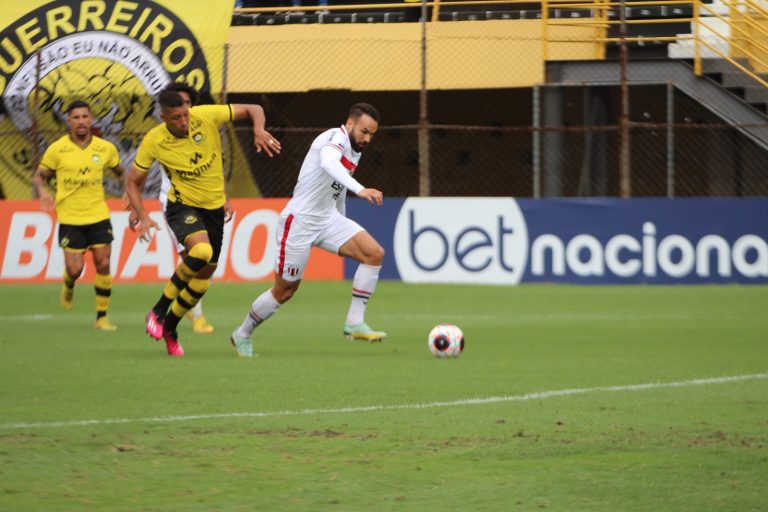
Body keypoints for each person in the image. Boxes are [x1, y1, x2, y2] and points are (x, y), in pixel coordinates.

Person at [125, 88, 281, 357]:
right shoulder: (154, 140)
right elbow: (132, 182)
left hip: (213, 208)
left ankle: (171, 328)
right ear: (163, 117)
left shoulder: (205, 116)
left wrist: (258, 129)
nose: (183, 122)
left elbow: (255, 109)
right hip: (182, 205)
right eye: (175, 118)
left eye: (185, 115)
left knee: (203, 279)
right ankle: (159, 310)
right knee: (201, 251)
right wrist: (142, 214)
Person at [230, 103, 385, 358]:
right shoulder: (334, 137)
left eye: (372, 134)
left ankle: (354, 323)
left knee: (374, 254)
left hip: (327, 218)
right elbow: (328, 164)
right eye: (364, 132)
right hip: (299, 222)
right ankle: (242, 333)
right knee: (285, 291)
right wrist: (361, 189)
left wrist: (342, 223)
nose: (367, 138)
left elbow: (337, 190)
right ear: (350, 124)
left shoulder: (355, 150)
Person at [32, 100, 127, 331]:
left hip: (98, 214)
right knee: (75, 269)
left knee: (103, 263)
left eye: (85, 116)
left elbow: (122, 172)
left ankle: (101, 317)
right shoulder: (57, 149)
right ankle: (69, 282)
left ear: (91, 119)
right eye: (76, 117)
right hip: (70, 217)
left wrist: (127, 190)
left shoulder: (105, 148)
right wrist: (43, 191)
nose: (81, 121)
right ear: (69, 121)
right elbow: (38, 176)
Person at [158, 82, 230, 335]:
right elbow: (139, 170)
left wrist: (225, 197)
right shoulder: (163, 135)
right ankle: (194, 314)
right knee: (194, 255)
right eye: (179, 105)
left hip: (208, 202)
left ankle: (184, 307)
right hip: (176, 201)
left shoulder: (202, 129)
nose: (184, 109)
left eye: (188, 104)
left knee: (207, 262)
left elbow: (215, 168)